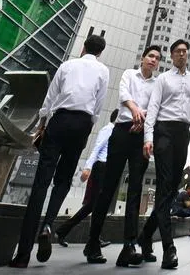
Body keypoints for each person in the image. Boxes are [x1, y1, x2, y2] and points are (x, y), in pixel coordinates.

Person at [11, 34, 109, 268]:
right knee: (63, 180)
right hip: (82, 123)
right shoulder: (103, 71)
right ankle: (48, 224)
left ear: (84, 47)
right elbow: (98, 105)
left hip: (59, 120)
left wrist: (42, 126)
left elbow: (49, 98)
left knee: (41, 182)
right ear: (100, 53)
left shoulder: (67, 65)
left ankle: (23, 254)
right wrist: (87, 128)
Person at [82, 44, 161, 267]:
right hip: (121, 131)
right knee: (107, 188)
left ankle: (129, 245)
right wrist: (135, 111)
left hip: (141, 137)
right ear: (144, 58)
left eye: (157, 58)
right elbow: (124, 94)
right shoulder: (129, 74)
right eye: (151, 56)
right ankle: (92, 242)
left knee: (135, 190)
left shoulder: (157, 85)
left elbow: (156, 109)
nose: (154, 60)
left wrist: (142, 119)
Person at [139, 39, 190, 270]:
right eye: (178, 51)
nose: (181, 54)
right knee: (165, 185)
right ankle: (169, 248)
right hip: (163, 132)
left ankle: (146, 235)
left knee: (171, 188)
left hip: (183, 133)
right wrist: (148, 138)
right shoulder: (163, 79)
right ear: (171, 56)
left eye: (184, 51)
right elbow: (154, 108)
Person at [53, 108, 117, 248]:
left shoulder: (114, 131)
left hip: (105, 168)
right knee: (95, 205)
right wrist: (88, 167)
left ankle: (64, 231)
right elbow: (96, 148)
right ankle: (92, 237)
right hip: (101, 167)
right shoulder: (108, 129)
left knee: (92, 205)